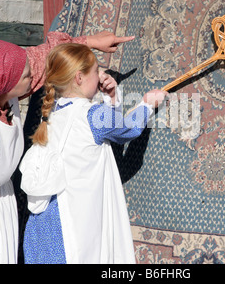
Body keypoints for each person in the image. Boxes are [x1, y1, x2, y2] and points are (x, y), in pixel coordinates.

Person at [0, 30, 135, 264]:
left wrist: (91, 42)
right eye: (26, 76)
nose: (34, 76)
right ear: (5, 84)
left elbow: (39, 59)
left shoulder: (1, 89)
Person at [20, 43, 167, 264]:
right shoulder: (92, 114)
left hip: (42, 225)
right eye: (96, 70)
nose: (100, 77)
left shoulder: (53, 112)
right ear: (79, 78)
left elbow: (108, 128)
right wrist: (146, 105)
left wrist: (111, 97)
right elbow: (126, 129)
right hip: (68, 225)